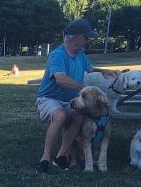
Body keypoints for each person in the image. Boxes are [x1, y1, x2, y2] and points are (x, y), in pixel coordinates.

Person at [35, 19, 113, 172]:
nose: (88, 40)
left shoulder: (80, 54)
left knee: (80, 116)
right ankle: (45, 158)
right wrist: (86, 89)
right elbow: (60, 78)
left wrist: (102, 71)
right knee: (61, 115)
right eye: (87, 37)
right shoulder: (57, 55)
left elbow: (89, 68)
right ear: (78, 37)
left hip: (72, 100)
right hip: (49, 99)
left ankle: (61, 156)